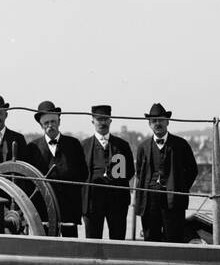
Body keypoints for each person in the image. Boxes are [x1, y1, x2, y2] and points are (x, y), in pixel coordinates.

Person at [133, 102, 197, 241]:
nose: (158, 123)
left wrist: (180, 187)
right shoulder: (143, 147)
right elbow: (139, 173)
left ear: (167, 121)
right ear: (149, 124)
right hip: (149, 201)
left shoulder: (181, 145)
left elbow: (192, 170)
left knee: (174, 239)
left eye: (161, 120)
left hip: (173, 201)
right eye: (154, 121)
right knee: (150, 239)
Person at [27, 101, 87, 237]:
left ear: (59, 121)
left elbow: (83, 174)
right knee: (45, 247)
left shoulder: (74, 144)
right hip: (43, 208)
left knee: (71, 246)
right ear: (41, 125)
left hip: (69, 207)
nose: (50, 126)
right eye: (46, 123)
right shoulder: (32, 148)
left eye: (53, 121)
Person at [80, 104, 134, 240]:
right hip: (92, 203)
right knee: (92, 242)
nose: (102, 123)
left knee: (118, 241)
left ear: (110, 120)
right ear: (93, 121)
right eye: (99, 119)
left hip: (116, 203)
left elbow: (129, 172)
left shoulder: (122, 146)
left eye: (105, 119)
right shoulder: (83, 146)